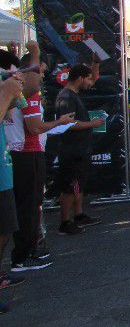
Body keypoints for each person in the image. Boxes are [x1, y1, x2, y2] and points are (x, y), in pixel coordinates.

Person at [6, 50, 74, 271]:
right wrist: (59, 122)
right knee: (29, 206)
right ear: (29, 72)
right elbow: (34, 127)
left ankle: (25, 252)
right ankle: (23, 255)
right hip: (27, 153)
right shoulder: (26, 93)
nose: (43, 77)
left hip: (22, 153)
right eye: (41, 72)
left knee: (28, 205)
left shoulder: (15, 92)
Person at [54, 63, 104, 235]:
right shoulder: (66, 97)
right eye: (89, 79)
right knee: (69, 187)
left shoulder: (74, 94)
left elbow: (94, 78)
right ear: (80, 78)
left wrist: (95, 62)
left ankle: (79, 215)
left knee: (78, 185)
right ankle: (65, 222)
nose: (91, 83)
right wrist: (93, 123)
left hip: (80, 150)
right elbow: (68, 123)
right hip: (71, 151)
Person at [0, 72, 26, 314]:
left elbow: (12, 111)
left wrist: (12, 94)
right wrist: (7, 92)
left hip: (4, 173)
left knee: (6, 231)